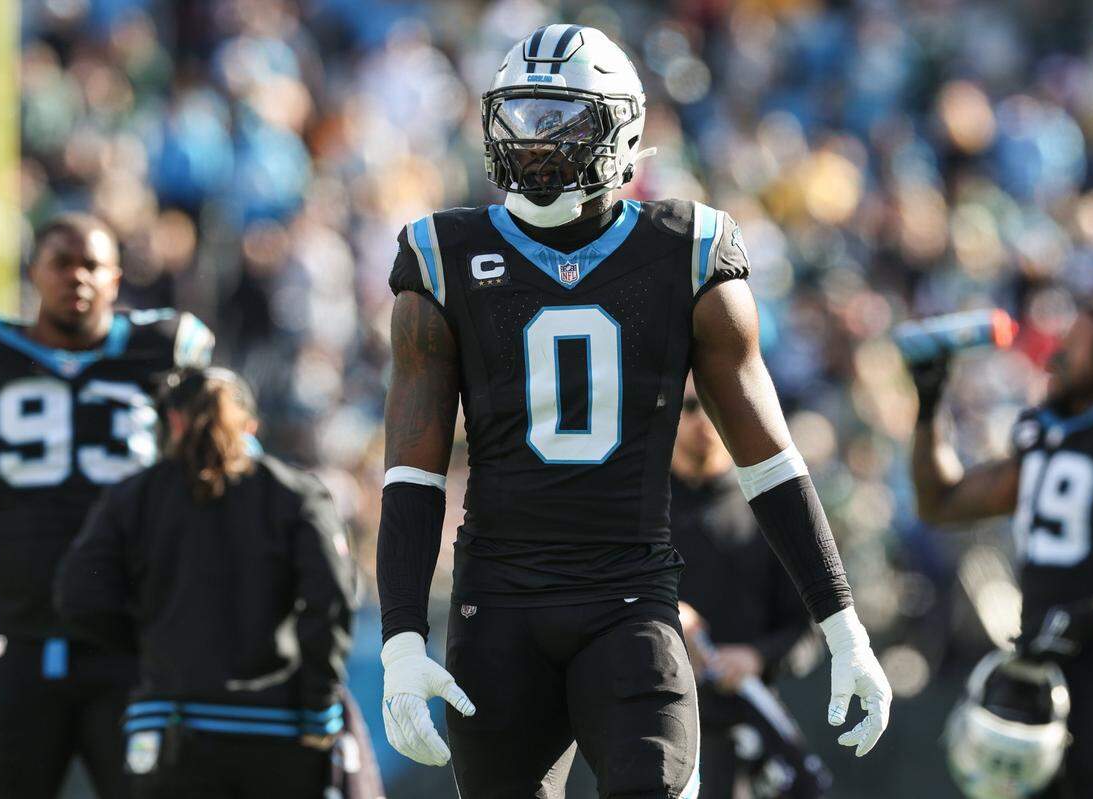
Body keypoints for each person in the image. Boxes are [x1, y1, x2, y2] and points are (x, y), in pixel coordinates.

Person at [374, 25, 891, 798]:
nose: (534, 141)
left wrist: (842, 624)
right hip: (499, 608)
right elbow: (412, 474)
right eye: (520, 116)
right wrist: (400, 640)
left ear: (619, 129)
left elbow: (768, 461)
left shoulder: (689, 250)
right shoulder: (441, 258)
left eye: (560, 121)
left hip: (630, 601)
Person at [0, 213, 213, 799]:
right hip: (17, 638)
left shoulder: (161, 352)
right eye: (62, 263)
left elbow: (213, 483)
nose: (77, 277)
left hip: (132, 643)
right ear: (33, 273)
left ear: (116, 277)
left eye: (92, 265)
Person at [54, 366, 358, 799]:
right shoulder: (297, 493)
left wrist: (153, 648)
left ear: (173, 421)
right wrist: (319, 702)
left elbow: (78, 597)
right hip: (278, 729)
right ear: (251, 425)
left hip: (169, 725)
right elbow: (331, 597)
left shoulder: (132, 497)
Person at [909, 300, 1093, 797]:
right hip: (1038, 676)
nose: (1054, 357)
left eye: (1073, 345)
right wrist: (929, 406)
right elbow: (941, 503)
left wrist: (1092, 617)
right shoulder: (1048, 436)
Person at [672, 380, 831, 798]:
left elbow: (807, 630)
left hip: (743, 730)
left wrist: (755, 656)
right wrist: (662, 611)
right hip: (657, 722)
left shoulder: (769, 505)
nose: (705, 419)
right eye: (691, 406)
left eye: (716, 404)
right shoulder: (639, 505)